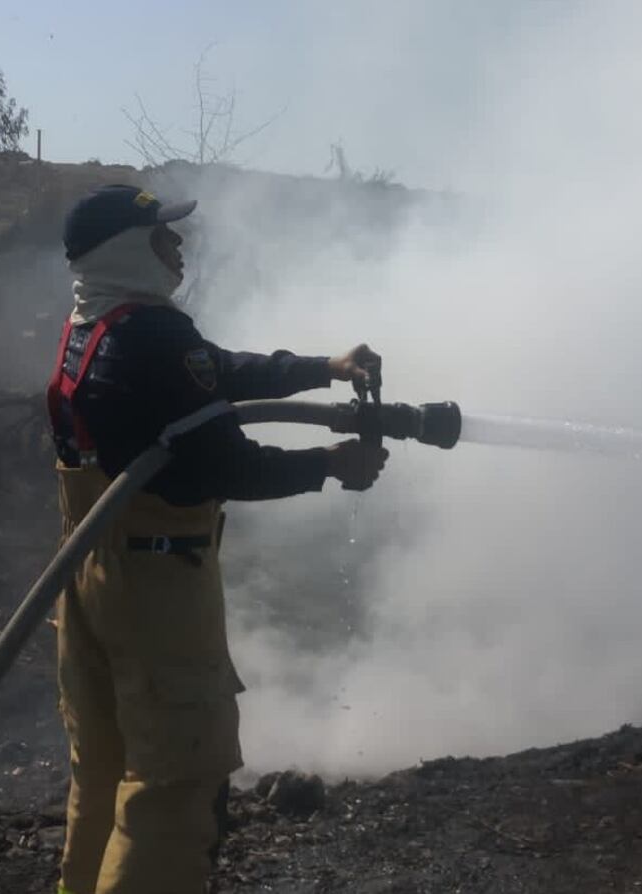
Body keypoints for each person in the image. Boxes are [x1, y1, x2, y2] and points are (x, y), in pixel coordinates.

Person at [47, 184, 388, 893]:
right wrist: (330, 465)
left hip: (89, 575)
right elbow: (223, 464)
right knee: (175, 782)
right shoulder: (150, 335)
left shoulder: (95, 328)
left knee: (105, 770)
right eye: (162, 237)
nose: (178, 247)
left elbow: (215, 371)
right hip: (155, 585)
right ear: (127, 249)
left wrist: (321, 368)